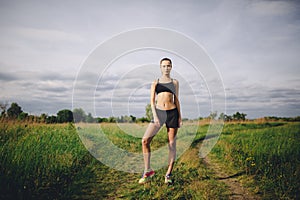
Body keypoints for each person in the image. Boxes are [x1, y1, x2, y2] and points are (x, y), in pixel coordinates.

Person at [139, 57, 182, 184]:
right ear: (160, 67)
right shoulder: (155, 82)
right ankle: (148, 171)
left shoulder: (175, 82)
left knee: (171, 145)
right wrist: (156, 116)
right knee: (145, 140)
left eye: (168, 66)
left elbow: (177, 100)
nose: (166, 68)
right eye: (164, 66)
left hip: (172, 113)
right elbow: (152, 101)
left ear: (171, 67)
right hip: (159, 112)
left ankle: (168, 174)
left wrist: (179, 117)